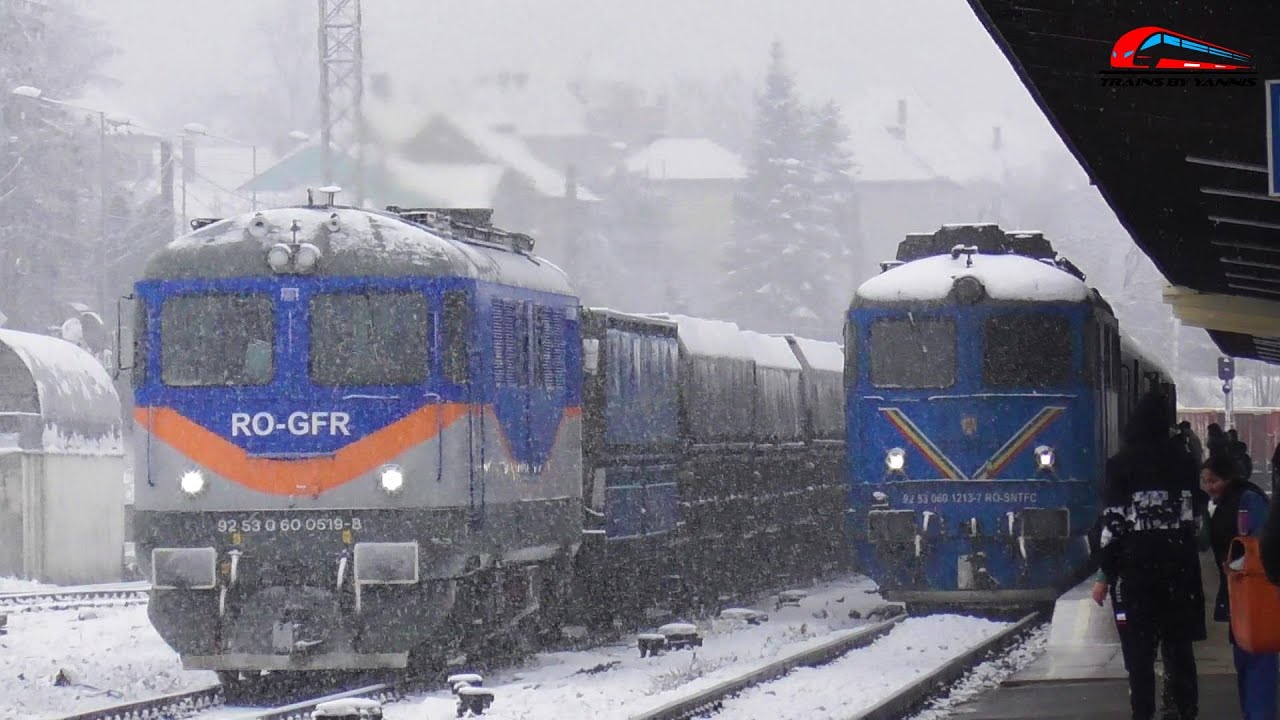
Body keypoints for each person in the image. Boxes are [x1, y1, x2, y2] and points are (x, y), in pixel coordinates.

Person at [1096, 390, 1203, 720]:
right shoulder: (1184, 461)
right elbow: (1195, 521)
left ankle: (1142, 713)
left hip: (1136, 572)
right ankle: (1186, 711)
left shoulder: (1120, 465)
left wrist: (1105, 573)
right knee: (1180, 649)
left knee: (1139, 657)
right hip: (1179, 569)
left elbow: (1112, 526)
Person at [1200, 454, 1277, 720]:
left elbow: (1259, 542)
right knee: (1244, 654)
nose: (1210, 487)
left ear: (1230, 478)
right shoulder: (1224, 503)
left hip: (1254, 589)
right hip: (1238, 590)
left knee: (1256, 653)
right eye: (1206, 481)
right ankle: (1252, 712)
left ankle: (1260, 714)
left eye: (1215, 481)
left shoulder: (1247, 500)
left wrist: (1239, 564)